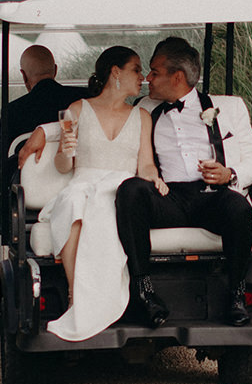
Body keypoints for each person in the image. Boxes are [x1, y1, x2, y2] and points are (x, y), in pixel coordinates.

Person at [115, 36, 252, 327]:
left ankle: (236, 294)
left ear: (177, 77)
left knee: (238, 207)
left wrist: (229, 173)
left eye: (154, 72)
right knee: (131, 191)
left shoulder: (230, 108)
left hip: (212, 195)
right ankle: (144, 290)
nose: (148, 78)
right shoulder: (143, 109)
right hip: (168, 196)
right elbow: (102, 117)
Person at [23, 46, 162, 341]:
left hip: (120, 189)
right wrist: (65, 148)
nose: (142, 77)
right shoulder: (77, 109)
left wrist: (155, 179)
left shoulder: (142, 117)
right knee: (74, 202)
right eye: (136, 69)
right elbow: (63, 166)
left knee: (105, 209)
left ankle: (102, 300)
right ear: (115, 73)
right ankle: (77, 296)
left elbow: (146, 164)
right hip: (84, 183)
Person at [0, 44, 74, 153]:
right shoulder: (82, 99)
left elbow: (6, 154)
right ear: (55, 70)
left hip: (28, 169)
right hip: (73, 168)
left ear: (24, 76)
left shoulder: (12, 110)